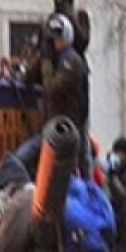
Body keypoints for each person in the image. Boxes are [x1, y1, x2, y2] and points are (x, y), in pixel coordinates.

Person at [29, 14, 90, 178]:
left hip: (64, 130)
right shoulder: (54, 59)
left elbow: (52, 89)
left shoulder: (72, 61)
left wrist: (47, 63)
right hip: (50, 129)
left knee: (62, 175)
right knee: (24, 158)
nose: (54, 42)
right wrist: (40, 54)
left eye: (57, 38)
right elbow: (28, 77)